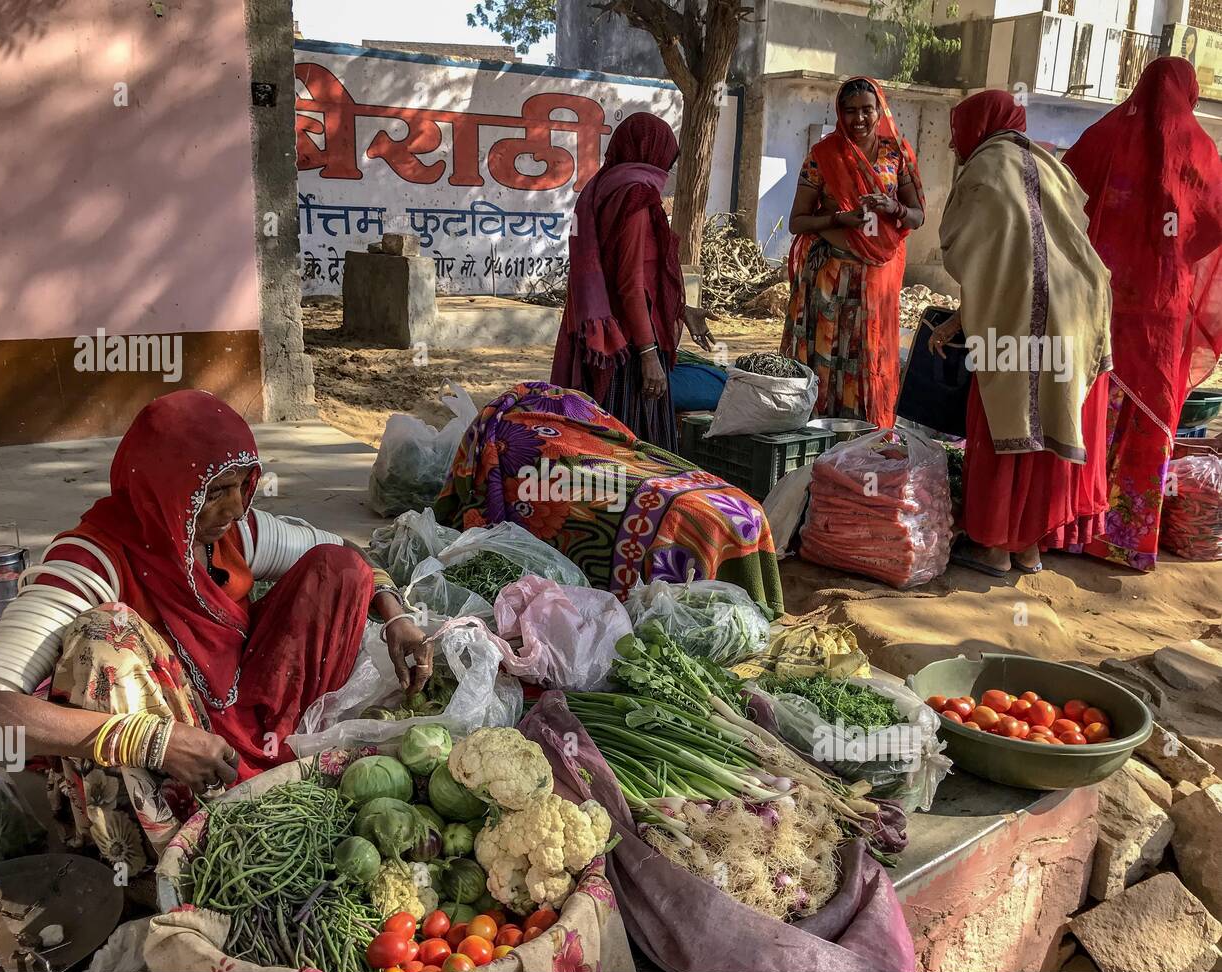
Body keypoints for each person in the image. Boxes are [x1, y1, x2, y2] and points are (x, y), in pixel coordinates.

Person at [0, 391, 431, 872]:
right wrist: (151, 740)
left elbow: (343, 550)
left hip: (251, 709)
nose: (236, 508)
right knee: (104, 635)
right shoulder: (92, 560)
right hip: (173, 737)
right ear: (165, 488)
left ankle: (276, 762)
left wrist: (395, 615)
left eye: (243, 487)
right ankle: (174, 858)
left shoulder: (232, 535)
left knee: (340, 570)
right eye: (215, 492)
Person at [931, 90, 1113, 576]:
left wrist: (966, 318)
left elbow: (981, 260)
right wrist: (960, 318)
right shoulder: (1047, 164)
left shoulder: (988, 169)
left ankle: (993, 547)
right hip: (1077, 313)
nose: (953, 145)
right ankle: (1028, 547)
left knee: (1001, 422)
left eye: (956, 133)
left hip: (1018, 322)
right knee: (1047, 424)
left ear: (980, 125)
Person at [1063, 58, 1222, 571]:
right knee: (1149, 422)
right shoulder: (1199, 149)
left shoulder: (1103, 135)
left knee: (1092, 411)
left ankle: (1073, 528)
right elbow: (1215, 222)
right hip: (1160, 312)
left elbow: (1066, 204)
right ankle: (1126, 540)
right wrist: (1171, 254)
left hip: (1100, 301)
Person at [435, 381, 784, 612]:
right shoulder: (513, 441)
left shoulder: (535, 419)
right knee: (672, 507)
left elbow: (616, 440)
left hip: (604, 463)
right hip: (574, 462)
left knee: (665, 497)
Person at [552, 112, 717, 451]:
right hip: (629, 351)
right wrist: (648, 355)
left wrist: (682, 310)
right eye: (666, 164)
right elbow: (629, 282)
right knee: (637, 454)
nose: (665, 173)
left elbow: (624, 276)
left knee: (605, 451)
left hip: (608, 342)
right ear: (651, 153)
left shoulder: (602, 188)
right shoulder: (636, 197)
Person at [780, 77, 925, 428]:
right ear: (839, 114)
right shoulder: (823, 157)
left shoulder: (898, 154)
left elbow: (918, 215)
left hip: (876, 282)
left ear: (880, 111)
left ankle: (862, 446)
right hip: (829, 282)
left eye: (866, 110)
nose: (858, 119)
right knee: (826, 360)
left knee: (867, 360)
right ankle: (817, 440)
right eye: (850, 111)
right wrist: (839, 218)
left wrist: (894, 208)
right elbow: (797, 222)